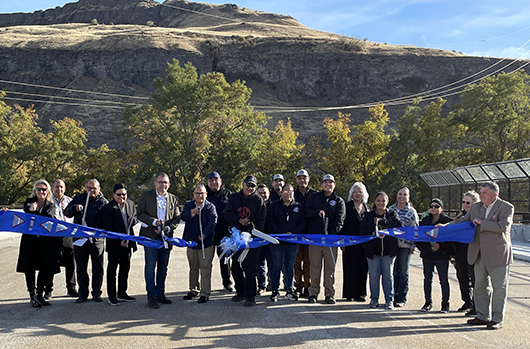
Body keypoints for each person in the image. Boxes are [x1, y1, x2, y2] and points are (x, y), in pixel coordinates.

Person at [440, 182, 514, 330]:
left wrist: (482, 223)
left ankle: (497, 319)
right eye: (481, 193)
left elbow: (503, 227)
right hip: (478, 253)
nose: (481, 195)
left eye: (484, 193)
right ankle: (482, 315)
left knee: (499, 288)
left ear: (495, 195)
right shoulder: (476, 207)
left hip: (498, 254)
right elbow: (463, 220)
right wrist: (446, 227)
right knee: (480, 286)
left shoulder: (506, 207)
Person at [137, 173, 181, 309]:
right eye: (161, 182)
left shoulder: (173, 198)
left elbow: (176, 218)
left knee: (163, 267)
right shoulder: (146, 196)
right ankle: (151, 296)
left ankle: (160, 293)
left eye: (166, 183)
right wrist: (154, 222)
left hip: (166, 239)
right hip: (150, 238)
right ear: (155, 183)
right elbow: (140, 214)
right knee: (150, 268)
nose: (163, 185)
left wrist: (168, 228)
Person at [224, 175, 267, 307]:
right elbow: (227, 214)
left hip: (252, 240)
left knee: (250, 268)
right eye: (248, 185)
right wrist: (239, 220)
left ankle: (250, 296)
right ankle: (240, 292)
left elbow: (261, 221)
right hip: (236, 239)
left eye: (253, 186)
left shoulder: (259, 201)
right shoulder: (234, 198)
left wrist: (250, 231)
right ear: (243, 184)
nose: (250, 188)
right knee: (235, 266)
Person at [17, 179, 60, 307]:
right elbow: (27, 216)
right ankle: (32, 294)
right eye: (38, 189)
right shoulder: (28, 202)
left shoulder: (51, 205)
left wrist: (34, 212)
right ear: (34, 191)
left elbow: (46, 218)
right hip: (30, 242)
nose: (41, 192)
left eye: (44, 189)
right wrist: (31, 211)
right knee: (29, 268)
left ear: (48, 191)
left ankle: (40, 294)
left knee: (44, 267)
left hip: (45, 242)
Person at [64, 179, 108, 304]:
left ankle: (96, 293)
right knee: (81, 267)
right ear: (85, 187)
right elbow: (66, 212)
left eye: (94, 188)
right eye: (89, 188)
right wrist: (74, 208)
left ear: (99, 189)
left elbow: (105, 220)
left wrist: (92, 230)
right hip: (80, 239)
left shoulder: (103, 202)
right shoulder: (78, 198)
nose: (91, 191)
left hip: (96, 240)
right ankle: (83, 293)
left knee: (97, 268)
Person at [305, 174, 345, 304]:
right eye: (325, 182)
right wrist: (317, 212)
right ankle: (313, 293)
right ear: (321, 185)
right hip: (315, 240)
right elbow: (306, 212)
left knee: (330, 269)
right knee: (315, 268)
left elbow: (340, 220)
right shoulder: (314, 197)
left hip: (330, 241)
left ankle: (329, 294)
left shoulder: (339, 201)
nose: (328, 185)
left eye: (330, 183)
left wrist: (332, 234)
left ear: (334, 185)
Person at [359, 191, 402, 310]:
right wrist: (372, 233)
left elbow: (398, 225)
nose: (381, 203)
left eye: (383, 201)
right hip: (373, 253)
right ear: (374, 202)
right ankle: (374, 299)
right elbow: (362, 231)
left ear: (387, 202)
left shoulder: (392, 214)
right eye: (378, 200)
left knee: (388, 276)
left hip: (389, 252)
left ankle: (389, 300)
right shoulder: (368, 215)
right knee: (374, 276)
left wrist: (382, 222)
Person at [267, 183, 306, 302]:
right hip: (277, 241)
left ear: (293, 193)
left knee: (290, 266)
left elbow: (303, 223)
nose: (288, 193)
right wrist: (280, 233)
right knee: (276, 266)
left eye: (290, 191)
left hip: (292, 242)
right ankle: (274, 291)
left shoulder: (299, 207)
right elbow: (270, 221)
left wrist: (292, 233)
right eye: (285, 191)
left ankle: (289, 290)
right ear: (281, 193)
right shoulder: (274, 206)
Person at [101, 183, 138, 306]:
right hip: (114, 244)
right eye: (119, 194)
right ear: (113, 195)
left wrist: (132, 221)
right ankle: (112, 296)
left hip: (127, 243)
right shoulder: (108, 208)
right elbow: (108, 227)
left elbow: (136, 218)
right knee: (112, 270)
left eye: (124, 194)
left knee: (125, 268)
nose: (121, 197)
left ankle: (122, 292)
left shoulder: (130, 204)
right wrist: (119, 240)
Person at [181, 184, 218, 303]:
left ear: (206, 194)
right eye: (197, 193)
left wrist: (205, 234)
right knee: (193, 267)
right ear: (193, 194)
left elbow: (213, 221)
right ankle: (193, 290)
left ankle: (205, 293)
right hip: (191, 242)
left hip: (206, 243)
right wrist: (192, 212)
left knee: (205, 267)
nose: (199, 196)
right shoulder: (188, 205)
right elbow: (182, 217)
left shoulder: (210, 207)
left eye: (202, 193)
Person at [416, 198, 454, 313]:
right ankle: (428, 302)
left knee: (443, 280)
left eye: (436, 206)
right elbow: (419, 237)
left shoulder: (447, 221)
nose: (433, 208)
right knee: (427, 279)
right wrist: (427, 248)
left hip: (442, 256)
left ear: (441, 208)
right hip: (427, 255)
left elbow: (450, 239)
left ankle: (445, 303)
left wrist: (441, 246)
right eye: (431, 206)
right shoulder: (425, 221)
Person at [340, 182, 371, 302]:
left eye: (360, 192)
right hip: (349, 243)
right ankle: (349, 293)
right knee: (349, 268)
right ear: (351, 194)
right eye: (355, 192)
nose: (357, 194)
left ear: (364, 194)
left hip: (364, 244)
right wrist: (342, 242)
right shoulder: (346, 206)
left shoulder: (368, 208)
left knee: (363, 269)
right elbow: (342, 224)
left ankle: (361, 294)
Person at [389, 187, 419, 308]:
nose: (402, 196)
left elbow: (415, 229)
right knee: (393, 272)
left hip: (405, 246)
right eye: (400, 194)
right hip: (391, 246)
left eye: (404, 194)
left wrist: (413, 246)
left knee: (403, 271)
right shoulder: (390, 209)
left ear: (408, 197)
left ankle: (401, 297)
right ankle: (392, 296)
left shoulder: (411, 211)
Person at [453, 190, 480, 316]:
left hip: (474, 253)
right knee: (462, 278)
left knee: (475, 280)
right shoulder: (460, 217)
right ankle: (467, 301)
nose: (465, 205)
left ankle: (476, 305)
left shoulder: (478, 217)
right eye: (463, 202)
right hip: (460, 253)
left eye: (468, 203)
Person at [206, 172, 233, 292]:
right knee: (206, 261)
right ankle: (205, 287)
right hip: (208, 233)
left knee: (225, 260)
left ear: (220, 181)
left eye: (216, 180)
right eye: (211, 181)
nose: (213, 183)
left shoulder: (228, 194)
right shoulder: (204, 193)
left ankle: (227, 283)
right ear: (208, 182)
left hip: (224, 233)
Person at [50, 178, 78, 298]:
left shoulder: (70, 201)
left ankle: (71, 288)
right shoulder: (48, 200)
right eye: (56, 187)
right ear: (52, 188)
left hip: (68, 235)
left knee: (71, 263)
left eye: (61, 187)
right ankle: (48, 289)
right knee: (50, 262)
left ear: (65, 188)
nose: (59, 189)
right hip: (53, 235)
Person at [293, 169, 317, 298]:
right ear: (296, 179)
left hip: (311, 234)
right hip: (296, 233)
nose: (302, 180)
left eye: (304, 178)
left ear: (308, 179)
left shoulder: (315, 195)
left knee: (309, 262)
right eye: (299, 178)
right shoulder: (292, 193)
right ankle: (297, 285)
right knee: (296, 262)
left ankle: (307, 286)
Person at [256, 183, 271, 294]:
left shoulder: (275, 205)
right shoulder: (255, 206)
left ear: (269, 193)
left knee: (272, 263)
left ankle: (272, 284)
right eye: (260, 193)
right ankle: (261, 286)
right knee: (259, 264)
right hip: (258, 239)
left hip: (271, 238)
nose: (263, 195)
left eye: (264, 193)